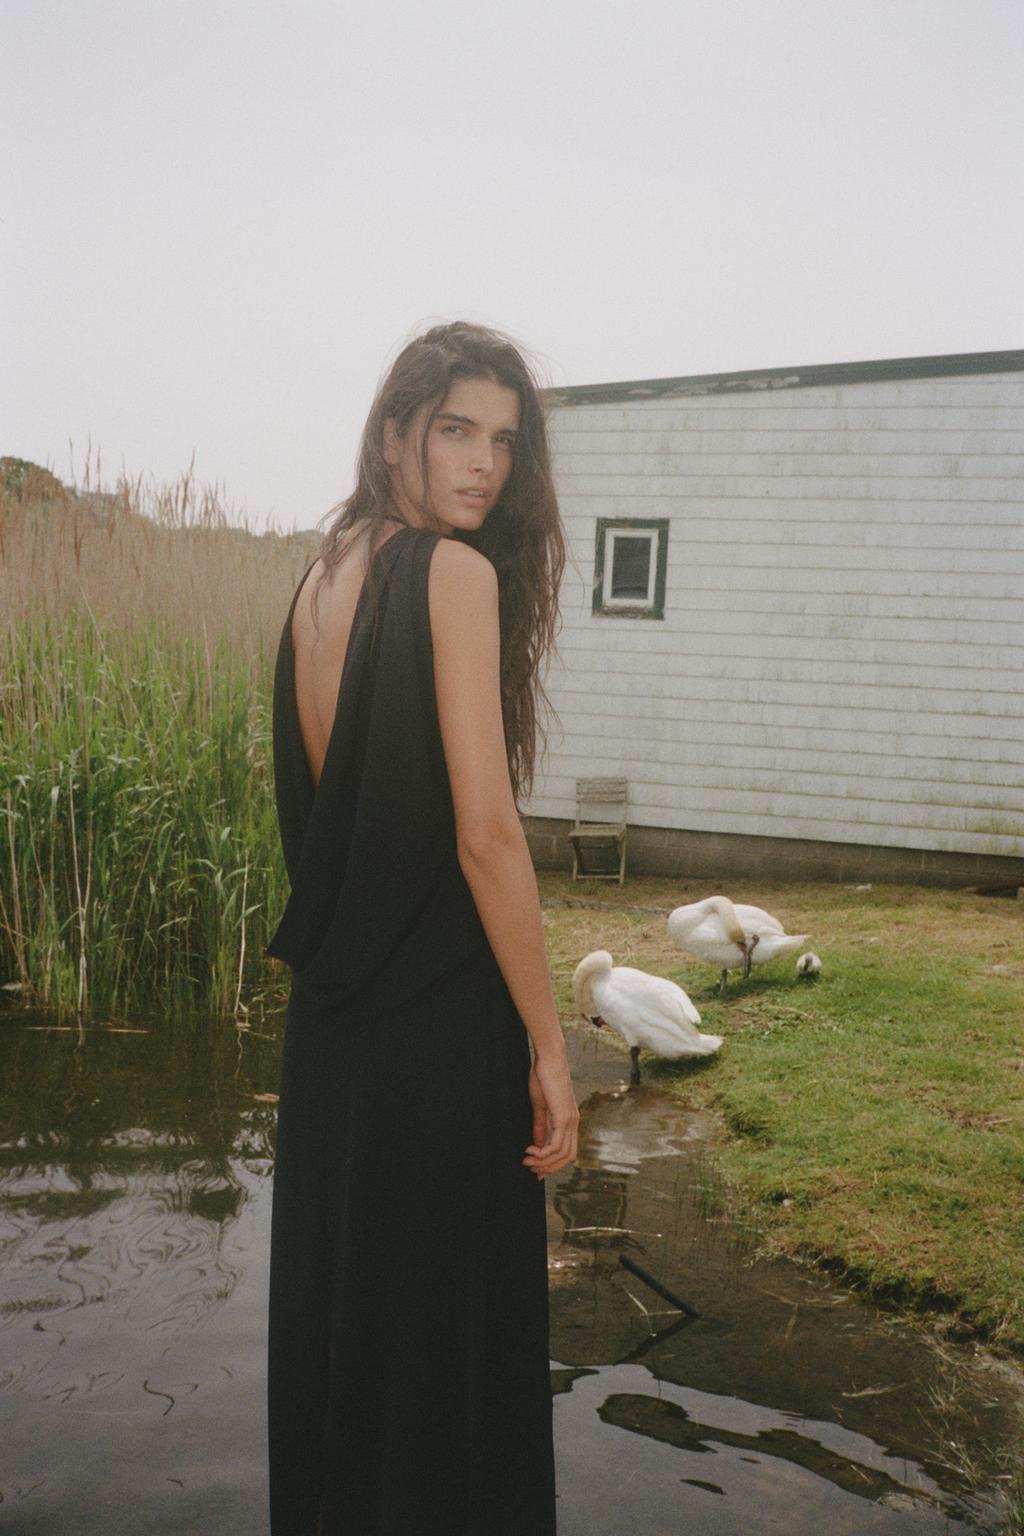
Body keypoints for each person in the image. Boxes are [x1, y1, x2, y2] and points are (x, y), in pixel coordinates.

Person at [264, 319, 579, 1534]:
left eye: (503, 439)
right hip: (439, 1035)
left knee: (350, 1345)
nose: (485, 463)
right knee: (449, 1362)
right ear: (395, 432)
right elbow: (485, 836)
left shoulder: (322, 572)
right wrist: (548, 1045)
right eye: (456, 429)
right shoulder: (452, 573)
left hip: (334, 1037)